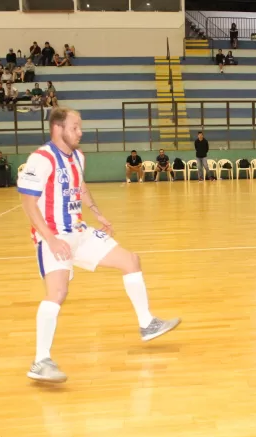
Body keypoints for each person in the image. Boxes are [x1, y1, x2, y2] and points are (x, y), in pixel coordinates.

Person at [17, 107, 180, 383]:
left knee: (131, 261)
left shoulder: (78, 156)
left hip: (80, 232)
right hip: (53, 236)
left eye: (80, 127)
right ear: (57, 128)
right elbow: (27, 203)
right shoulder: (41, 159)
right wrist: (51, 238)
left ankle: (147, 323)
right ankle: (40, 360)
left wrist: (97, 212)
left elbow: (80, 187)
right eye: (75, 127)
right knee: (57, 293)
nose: (80, 133)